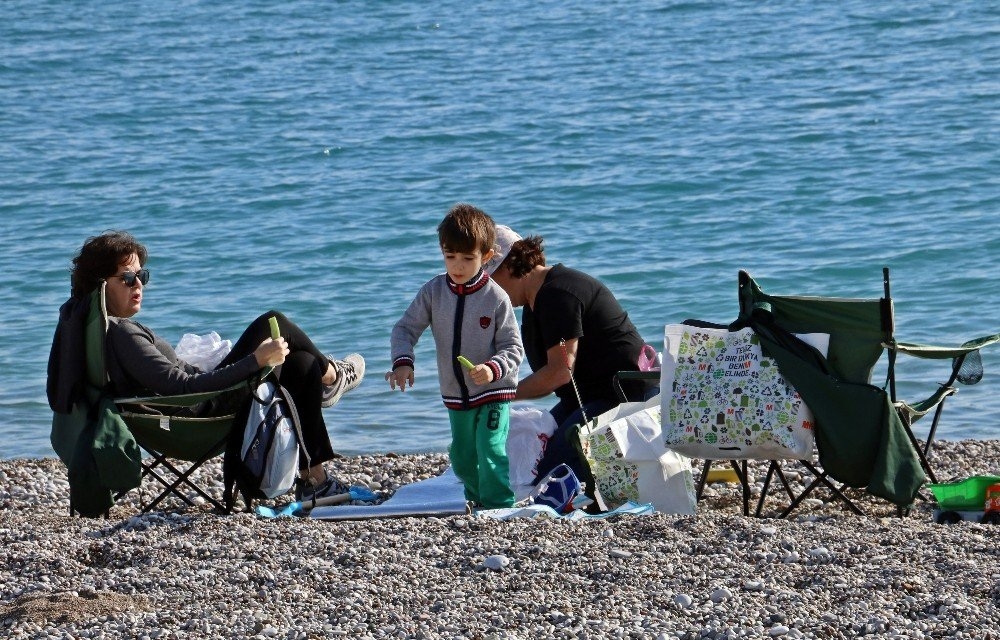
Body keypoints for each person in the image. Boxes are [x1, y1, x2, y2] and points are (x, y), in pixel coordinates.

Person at [58, 230, 364, 503]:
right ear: (101, 285)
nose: (138, 284)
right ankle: (334, 376)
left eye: (142, 276)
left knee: (301, 364)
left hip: (185, 409)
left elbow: (172, 381)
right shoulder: (123, 333)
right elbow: (182, 387)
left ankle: (316, 479)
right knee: (275, 322)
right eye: (127, 278)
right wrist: (255, 361)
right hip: (201, 412)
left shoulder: (93, 327)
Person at [488, 227, 658, 483]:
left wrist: (501, 394)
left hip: (624, 396)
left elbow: (559, 372)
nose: (490, 290)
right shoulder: (536, 301)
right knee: (532, 456)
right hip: (589, 398)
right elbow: (553, 377)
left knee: (547, 472)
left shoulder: (558, 293)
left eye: (491, 279)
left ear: (511, 265)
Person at [385, 204, 524, 509]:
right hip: (455, 394)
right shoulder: (434, 292)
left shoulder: (496, 297)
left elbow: (514, 347)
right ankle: (476, 500)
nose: (458, 266)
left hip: (494, 390)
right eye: (450, 257)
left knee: (490, 449)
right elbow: (404, 329)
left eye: (467, 258)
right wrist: (403, 361)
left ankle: (500, 506)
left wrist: (492, 369)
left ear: (487, 257)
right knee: (462, 459)